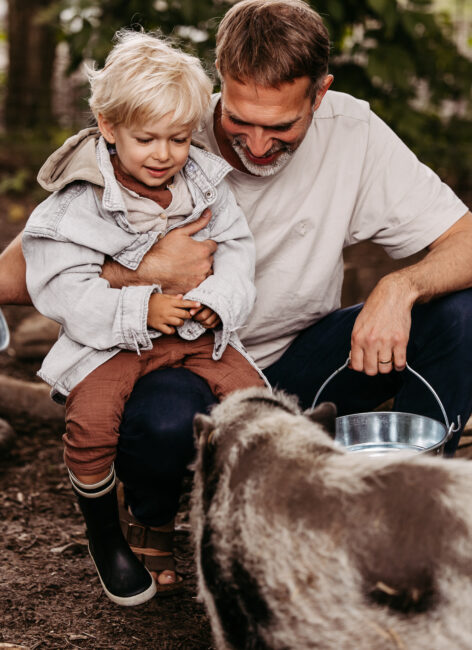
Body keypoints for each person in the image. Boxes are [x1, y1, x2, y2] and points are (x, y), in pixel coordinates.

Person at [2, 0, 472, 596]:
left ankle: (410, 516)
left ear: (319, 94)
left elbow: (465, 239)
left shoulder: (353, 133)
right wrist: (140, 271)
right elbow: (18, 274)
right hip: (173, 358)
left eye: (281, 128)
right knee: (164, 420)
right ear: (219, 82)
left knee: (459, 313)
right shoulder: (160, 125)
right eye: (239, 121)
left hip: (296, 358)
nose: (255, 144)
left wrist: (399, 286)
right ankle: (149, 510)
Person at [20, 30, 265, 606]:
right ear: (108, 127)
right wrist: (141, 306)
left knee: (257, 405)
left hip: (194, 333)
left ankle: (247, 531)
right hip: (110, 341)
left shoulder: (205, 184)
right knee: (92, 423)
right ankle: (106, 535)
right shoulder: (75, 203)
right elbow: (58, 288)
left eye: (179, 138)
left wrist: (219, 299)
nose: (165, 154)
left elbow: (236, 250)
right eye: (146, 138)